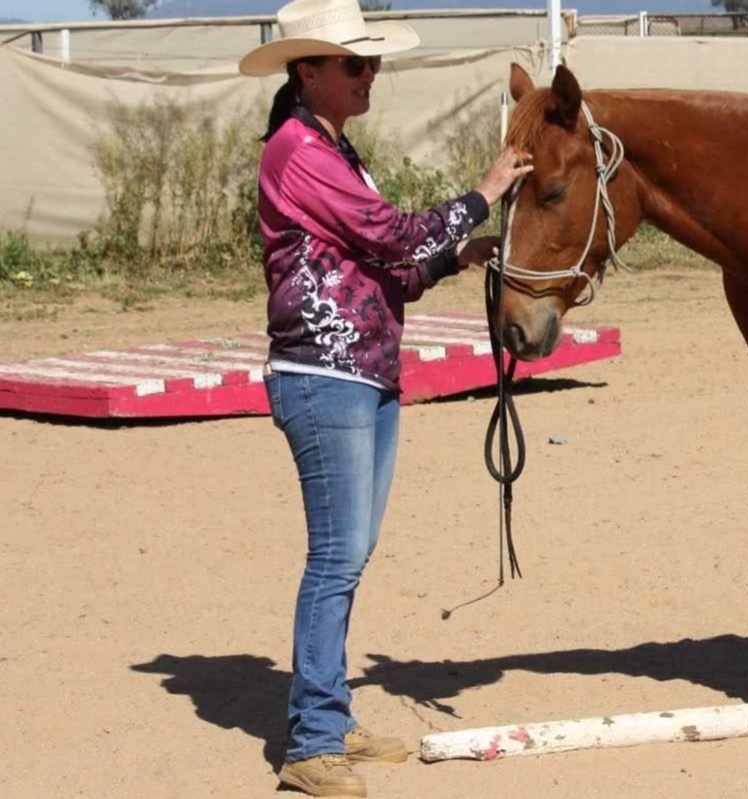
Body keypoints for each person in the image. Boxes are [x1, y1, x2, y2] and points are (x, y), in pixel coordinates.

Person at [238, 1, 532, 795]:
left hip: (363, 373)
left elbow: (394, 267)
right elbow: (395, 233)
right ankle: (311, 742)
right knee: (336, 555)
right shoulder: (298, 153)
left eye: (370, 63)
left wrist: (453, 259)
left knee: (348, 553)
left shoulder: (336, 150)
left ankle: (327, 717)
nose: (372, 76)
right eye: (357, 65)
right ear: (311, 72)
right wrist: (481, 193)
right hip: (325, 376)